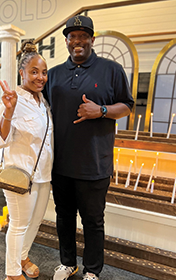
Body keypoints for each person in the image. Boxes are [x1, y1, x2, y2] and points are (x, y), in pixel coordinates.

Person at [43, 15, 134, 280]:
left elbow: (127, 105)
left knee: (93, 222)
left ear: (93, 39)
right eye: (72, 36)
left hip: (95, 163)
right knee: (64, 217)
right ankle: (67, 263)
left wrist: (101, 110)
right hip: (60, 163)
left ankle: (92, 270)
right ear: (67, 41)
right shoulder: (55, 74)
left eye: (83, 36)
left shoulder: (112, 69)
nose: (77, 41)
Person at [0, 40, 53, 280]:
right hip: (20, 174)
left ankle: (23, 257)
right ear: (22, 73)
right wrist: (8, 112)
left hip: (43, 174)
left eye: (44, 72)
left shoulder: (42, 101)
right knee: (18, 225)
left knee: (35, 222)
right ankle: (12, 273)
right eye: (34, 72)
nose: (40, 77)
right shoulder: (12, 98)